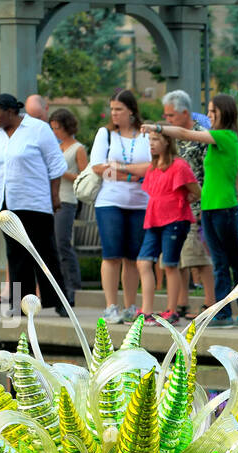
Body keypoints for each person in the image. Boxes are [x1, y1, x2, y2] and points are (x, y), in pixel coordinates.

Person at [146, 93, 238, 326]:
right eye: (208, 111)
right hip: (210, 209)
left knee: (227, 261)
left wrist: (157, 127)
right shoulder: (221, 142)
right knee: (229, 261)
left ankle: (226, 313)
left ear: (224, 113)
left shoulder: (225, 136)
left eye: (212, 112)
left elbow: (186, 133)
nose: (208, 116)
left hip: (223, 209)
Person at [0, 93, 69, 316]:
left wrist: (55, 196)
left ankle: (59, 301)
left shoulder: (38, 129)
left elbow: (56, 165)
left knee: (44, 253)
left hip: (34, 202)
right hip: (6, 204)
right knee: (16, 255)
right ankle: (21, 304)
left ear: (11, 112)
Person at [90, 89, 150, 323]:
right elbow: (97, 166)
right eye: (112, 109)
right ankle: (110, 306)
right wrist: (131, 174)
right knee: (112, 254)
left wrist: (119, 167)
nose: (114, 113)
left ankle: (130, 306)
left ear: (131, 111)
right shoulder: (105, 134)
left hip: (140, 203)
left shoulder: (145, 135)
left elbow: (152, 167)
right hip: (110, 202)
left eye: (119, 109)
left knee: (133, 257)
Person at [137, 126, 198, 319]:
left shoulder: (179, 165)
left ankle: (172, 311)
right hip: (154, 220)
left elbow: (196, 191)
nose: (152, 144)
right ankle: (146, 310)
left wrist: (188, 199)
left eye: (156, 140)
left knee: (170, 264)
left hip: (175, 220)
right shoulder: (153, 167)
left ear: (167, 142)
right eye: (150, 141)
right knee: (143, 262)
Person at [48, 109, 87, 309]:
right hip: (50, 200)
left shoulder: (78, 148)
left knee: (63, 242)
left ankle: (73, 287)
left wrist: (63, 173)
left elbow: (85, 176)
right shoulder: (56, 147)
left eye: (58, 128)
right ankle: (58, 288)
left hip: (67, 199)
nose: (55, 132)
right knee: (52, 245)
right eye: (52, 128)